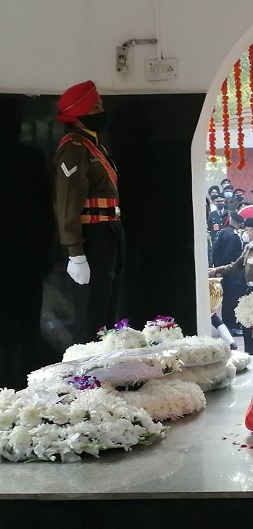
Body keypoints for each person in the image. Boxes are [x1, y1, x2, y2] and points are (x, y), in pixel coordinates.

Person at [53, 80, 126, 345]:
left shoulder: (93, 146)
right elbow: (67, 203)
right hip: (92, 238)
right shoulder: (74, 149)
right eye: (95, 105)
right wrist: (76, 253)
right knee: (91, 314)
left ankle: (105, 369)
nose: (102, 108)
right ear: (78, 113)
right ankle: (85, 378)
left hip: (108, 232)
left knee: (108, 308)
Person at [0, 96, 56, 388]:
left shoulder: (32, 157)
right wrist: (47, 254)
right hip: (26, 256)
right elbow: (44, 211)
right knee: (25, 323)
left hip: (21, 257)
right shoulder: (31, 158)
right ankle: (22, 382)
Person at [209, 217, 253, 354]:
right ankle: (249, 354)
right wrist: (217, 270)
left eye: (246, 230)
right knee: (246, 326)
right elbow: (235, 266)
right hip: (248, 289)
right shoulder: (248, 248)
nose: (244, 232)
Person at [211, 211, 245, 336]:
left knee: (228, 299)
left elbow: (216, 251)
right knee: (232, 299)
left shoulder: (224, 232)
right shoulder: (233, 236)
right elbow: (228, 255)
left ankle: (229, 324)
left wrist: (218, 267)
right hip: (232, 272)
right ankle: (231, 326)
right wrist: (223, 269)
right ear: (238, 223)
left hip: (225, 270)